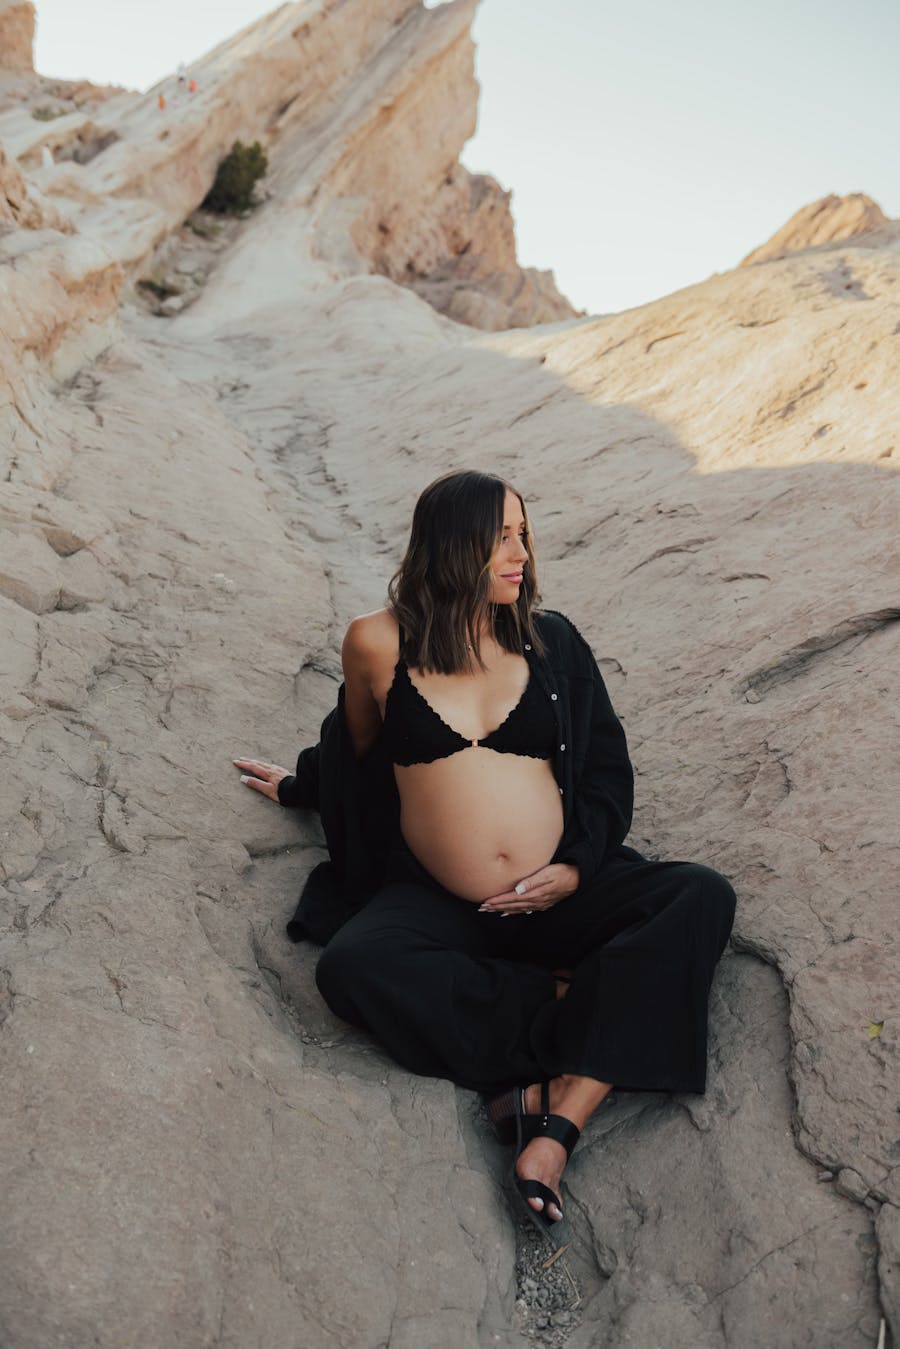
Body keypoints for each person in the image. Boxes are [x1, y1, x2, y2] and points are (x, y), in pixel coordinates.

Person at [233, 469, 736, 1236]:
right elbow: (356, 750)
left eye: (523, 534)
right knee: (352, 966)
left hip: (558, 896)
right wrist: (303, 786)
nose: (521, 554)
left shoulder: (552, 640)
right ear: (451, 542)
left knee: (700, 894)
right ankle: (592, 1025)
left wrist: (572, 870)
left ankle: (550, 1118)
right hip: (440, 901)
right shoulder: (376, 641)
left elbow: (605, 771)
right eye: (502, 536)